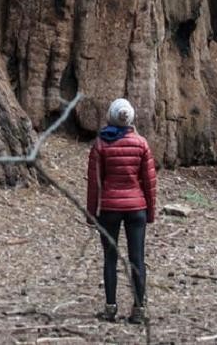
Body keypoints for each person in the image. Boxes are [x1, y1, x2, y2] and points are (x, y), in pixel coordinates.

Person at [86, 98, 157, 324]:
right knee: (137, 258)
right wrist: (151, 212)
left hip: (109, 209)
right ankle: (139, 309)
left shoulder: (100, 144)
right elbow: (149, 182)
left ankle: (110, 308)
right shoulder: (141, 144)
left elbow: (94, 183)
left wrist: (91, 212)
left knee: (110, 258)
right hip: (137, 209)